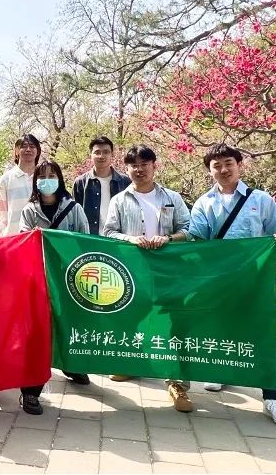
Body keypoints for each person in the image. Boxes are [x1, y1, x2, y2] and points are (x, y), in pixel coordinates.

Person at [187, 144, 276, 428]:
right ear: (209, 170)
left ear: (239, 165)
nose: (223, 170)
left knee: (262, 333)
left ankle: (274, 397)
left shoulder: (261, 200)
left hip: (254, 280)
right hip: (219, 280)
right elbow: (198, 242)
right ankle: (221, 371)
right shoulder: (203, 204)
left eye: (228, 163)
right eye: (217, 165)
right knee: (219, 327)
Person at [103, 145, 192, 412]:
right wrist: (130, 239)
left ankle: (177, 382)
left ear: (155, 165)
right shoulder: (120, 200)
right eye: (134, 165)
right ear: (127, 168)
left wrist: (168, 238)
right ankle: (131, 363)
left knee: (173, 324)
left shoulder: (172, 197)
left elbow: (188, 229)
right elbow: (108, 232)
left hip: (169, 272)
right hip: (133, 272)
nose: (139, 169)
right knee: (131, 318)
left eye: (144, 164)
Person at [18, 160, 91, 413]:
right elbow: (23, 242)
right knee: (37, 332)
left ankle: (71, 364)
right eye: (42, 176)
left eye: (52, 175)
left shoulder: (74, 208)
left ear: (59, 179)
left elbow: (85, 241)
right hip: (38, 279)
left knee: (68, 324)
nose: (47, 180)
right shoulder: (29, 210)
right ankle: (31, 391)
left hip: (68, 279)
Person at [73, 136, 131, 235]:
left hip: (117, 238)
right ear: (91, 155)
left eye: (106, 152)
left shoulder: (124, 181)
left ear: (112, 154)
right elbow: (75, 214)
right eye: (97, 152)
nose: (101, 156)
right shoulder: (81, 182)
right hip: (90, 238)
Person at [0, 134, 42, 237]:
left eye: (32, 146)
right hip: (15, 237)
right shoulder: (5, 180)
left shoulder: (43, 177)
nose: (28, 149)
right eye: (24, 146)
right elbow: (3, 216)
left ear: (38, 151)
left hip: (41, 237)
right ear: (16, 150)